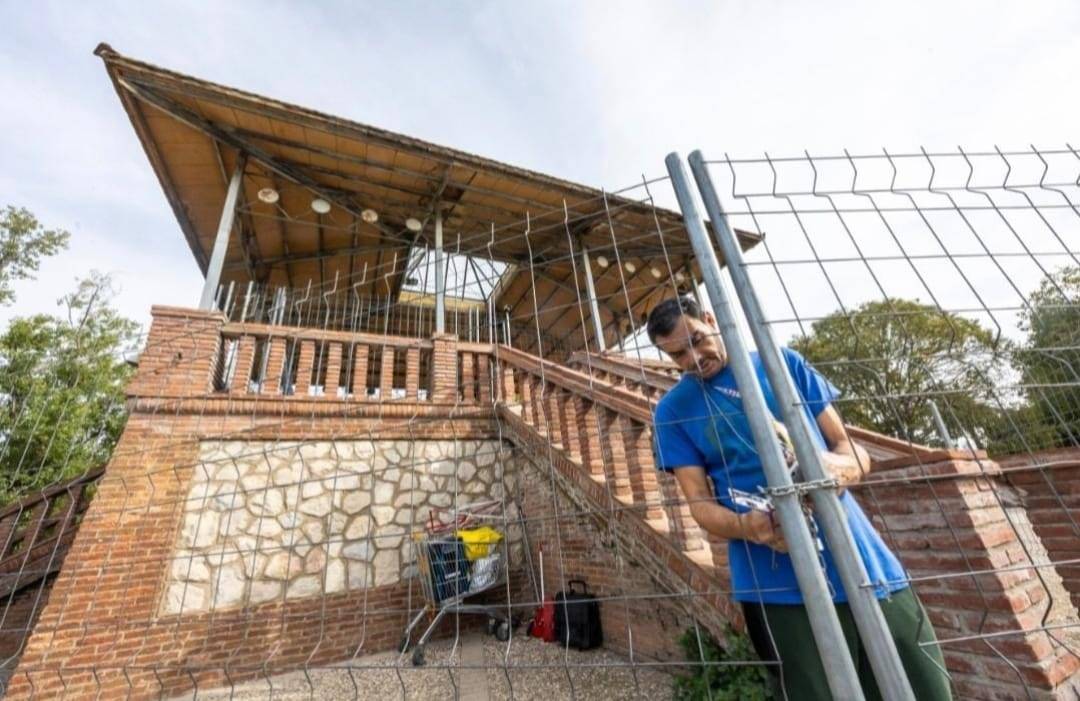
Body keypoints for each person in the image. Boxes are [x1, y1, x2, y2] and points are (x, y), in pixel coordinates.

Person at [647, 295, 951, 701]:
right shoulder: (672, 411)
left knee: (924, 687)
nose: (693, 359)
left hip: (865, 560)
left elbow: (849, 447)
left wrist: (841, 468)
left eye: (697, 341)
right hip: (774, 583)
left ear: (710, 319)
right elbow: (699, 504)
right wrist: (747, 526)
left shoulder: (781, 363)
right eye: (678, 355)